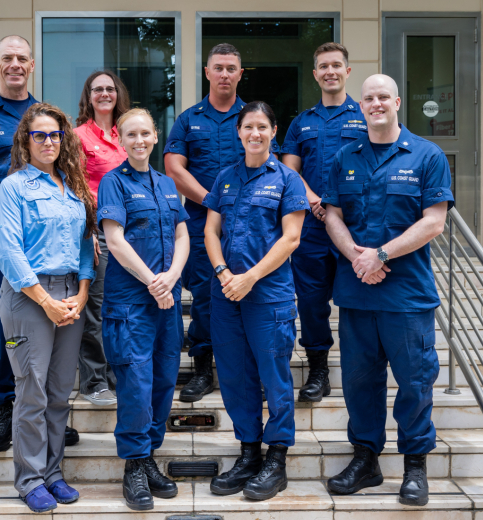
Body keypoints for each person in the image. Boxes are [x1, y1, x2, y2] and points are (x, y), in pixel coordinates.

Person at [322, 74, 453, 506]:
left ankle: (415, 466)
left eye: (383, 97)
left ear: (397, 101)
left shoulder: (426, 155)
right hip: (357, 292)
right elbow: (333, 214)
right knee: (360, 382)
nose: (376, 104)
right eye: (369, 98)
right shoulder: (345, 156)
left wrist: (380, 255)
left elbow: (434, 222)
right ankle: (366, 460)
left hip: (406, 296)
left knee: (415, 382)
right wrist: (360, 258)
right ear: (360, 105)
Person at [0, 35, 79, 451]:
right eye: (8, 58)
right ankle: (6, 408)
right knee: (3, 328)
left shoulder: (46, 116)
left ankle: (44, 411)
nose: (15, 64)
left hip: (47, 249)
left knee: (51, 334)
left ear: (32, 65)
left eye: (22, 58)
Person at [203, 101, 309, 501]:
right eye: (248, 126)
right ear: (239, 131)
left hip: (268, 296)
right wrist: (224, 273)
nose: (255, 134)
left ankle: (276, 459)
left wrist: (249, 276)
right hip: (226, 294)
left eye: (262, 127)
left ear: (273, 130)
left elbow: (291, 238)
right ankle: (249, 453)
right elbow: (211, 232)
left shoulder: (287, 179)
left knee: (274, 377)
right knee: (234, 377)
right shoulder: (225, 177)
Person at [0, 102, 96, 513]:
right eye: (40, 135)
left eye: (55, 134)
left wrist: (83, 293)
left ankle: (53, 473)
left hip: (70, 295)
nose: (49, 141)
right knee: (32, 393)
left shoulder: (71, 189)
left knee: (58, 394)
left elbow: (86, 246)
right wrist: (46, 302)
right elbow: (9, 250)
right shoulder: (14, 187)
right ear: (26, 140)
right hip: (29, 298)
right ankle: (30, 478)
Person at [165, 43, 278, 403]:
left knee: (254, 291)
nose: (225, 74)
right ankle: (202, 370)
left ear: (240, 74)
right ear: (207, 72)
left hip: (255, 227)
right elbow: (173, 168)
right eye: (219, 68)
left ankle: (253, 368)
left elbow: (271, 164)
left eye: (232, 68)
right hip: (203, 226)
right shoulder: (188, 119)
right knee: (205, 296)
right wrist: (214, 203)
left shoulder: (252, 118)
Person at [98, 108, 190, 511]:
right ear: (120, 139)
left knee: (164, 379)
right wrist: (154, 281)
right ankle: (134, 466)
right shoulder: (112, 183)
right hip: (132, 303)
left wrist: (171, 275)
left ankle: (149, 455)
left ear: (156, 137)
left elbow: (184, 233)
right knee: (136, 384)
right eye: (130, 134)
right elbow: (114, 241)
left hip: (166, 301)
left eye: (145, 134)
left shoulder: (168, 185)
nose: (138, 141)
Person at [281, 42, 368, 403]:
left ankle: (362, 369)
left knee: (357, 298)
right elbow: (288, 170)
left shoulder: (367, 115)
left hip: (357, 226)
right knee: (312, 302)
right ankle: (319, 370)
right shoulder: (302, 123)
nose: (330, 71)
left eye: (336, 65)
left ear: (347, 72)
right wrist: (314, 200)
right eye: (323, 66)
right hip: (314, 227)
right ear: (315, 74)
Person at [73, 71, 129, 406]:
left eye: (110, 89)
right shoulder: (78, 135)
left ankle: (117, 375)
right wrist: (87, 230)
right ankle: (94, 381)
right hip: (98, 233)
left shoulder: (127, 133)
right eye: (98, 89)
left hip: (129, 234)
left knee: (122, 308)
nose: (105, 94)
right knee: (95, 309)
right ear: (89, 95)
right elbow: (75, 186)